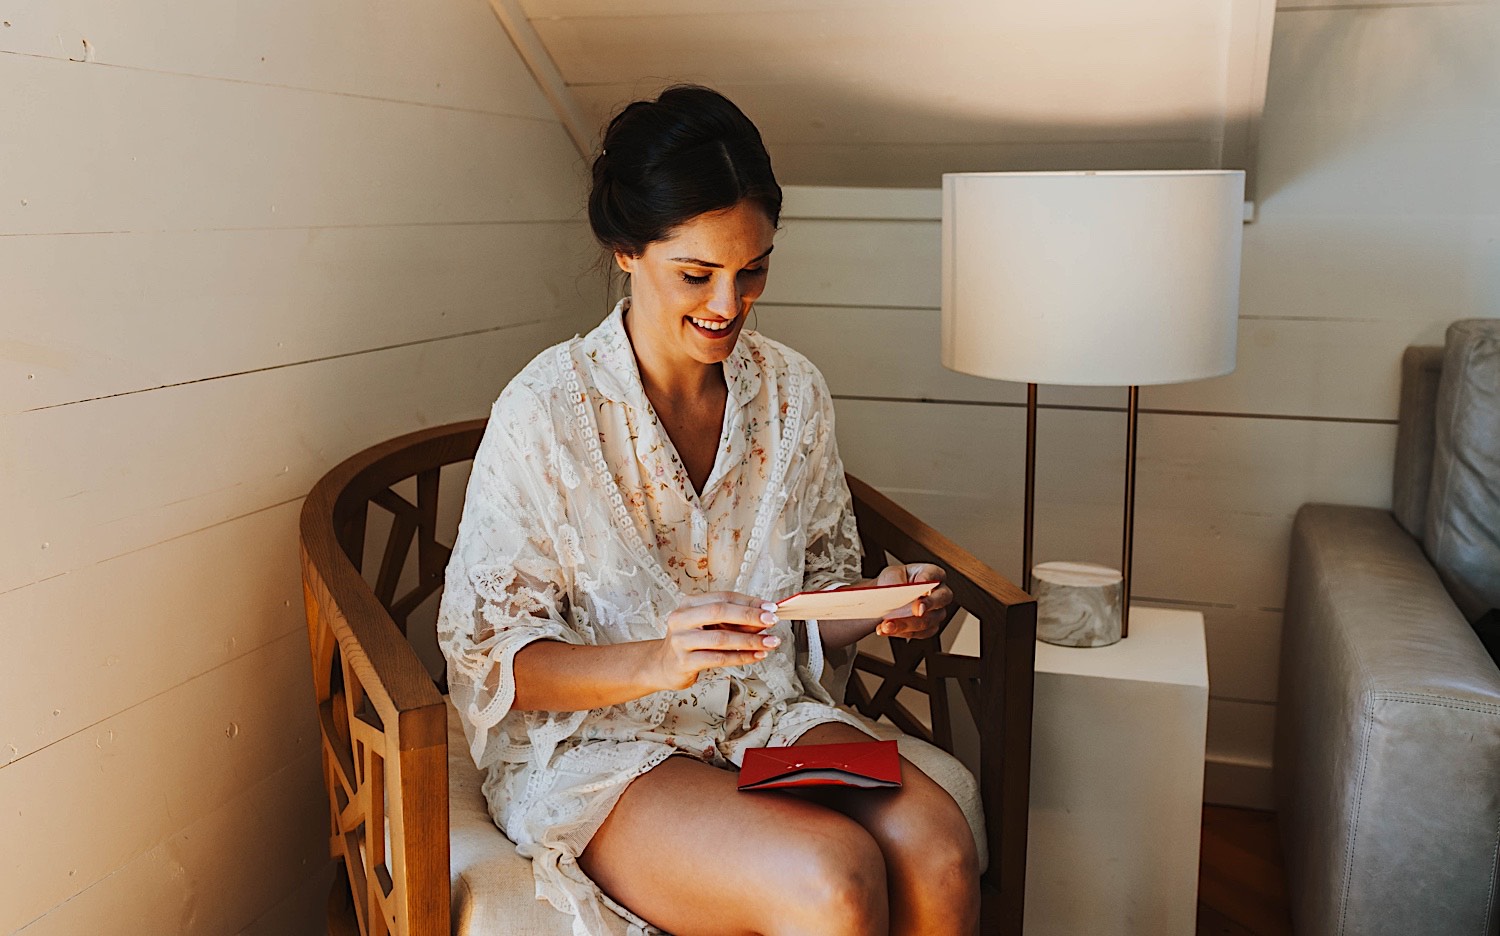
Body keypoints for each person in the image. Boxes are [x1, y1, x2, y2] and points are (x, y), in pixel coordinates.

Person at [437, 85, 979, 936]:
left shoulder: (792, 393)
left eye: (753, 269)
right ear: (625, 249)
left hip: (763, 718)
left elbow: (810, 607)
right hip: (603, 750)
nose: (729, 304)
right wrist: (659, 659)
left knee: (938, 848)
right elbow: (492, 661)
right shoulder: (544, 412)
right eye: (697, 273)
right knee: (833, 880)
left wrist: (880, 605)